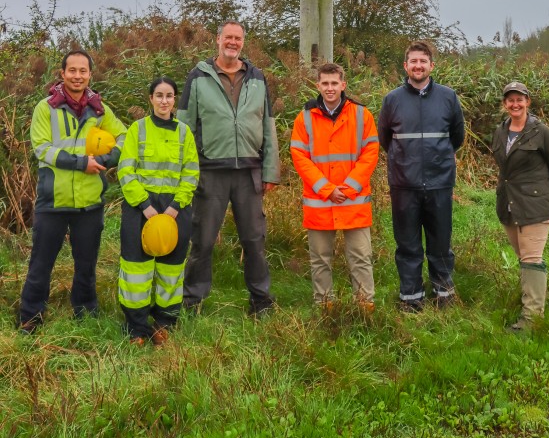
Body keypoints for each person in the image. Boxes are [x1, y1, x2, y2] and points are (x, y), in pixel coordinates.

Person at [177, 21, 280, 316]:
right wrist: (187, 172)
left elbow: (268, 125)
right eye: (228, 37)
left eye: (238, 38)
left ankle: (261, 301)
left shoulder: (257, 77)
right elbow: (184, 126)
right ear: (218, 40)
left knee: (254, 239)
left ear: (242, 43)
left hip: (249, 171)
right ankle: (192, 300)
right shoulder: (198, 77)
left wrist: (270, 171)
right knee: (203, 239)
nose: (232, 42)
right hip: (210, 172)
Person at [19, 50, 126, 332]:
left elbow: (124, 136)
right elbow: (42, 149)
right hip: (53, 199)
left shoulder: (99, 108)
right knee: (41, 262)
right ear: (62, 73)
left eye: (83, 71)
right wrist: (82, 163)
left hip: (89, 201)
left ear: (90, 74)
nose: (77, 76)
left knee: (87, 263)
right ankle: (30, 317)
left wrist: (104, 160)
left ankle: (85, 313)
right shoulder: (46, 108)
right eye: (72, 71)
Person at [378, 40, 464, 312]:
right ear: (406, 66)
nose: (418, 66)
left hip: (439, 182)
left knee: (440, 243)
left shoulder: (448, 97)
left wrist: (439, 162)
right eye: (413, 61)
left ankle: (444, 294)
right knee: (408, 244)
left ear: (431, 66)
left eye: (423, 61)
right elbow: (385, 139)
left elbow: (457, 136)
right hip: (404, 184)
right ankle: (411, 298)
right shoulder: (392, 99)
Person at [117, 76, 199, 345]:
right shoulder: (136, 130)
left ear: (175, 100)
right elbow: (126, 171)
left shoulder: (184, 133)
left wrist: (176, 206)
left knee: (171, 269)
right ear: (150, 98)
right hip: (140, 208)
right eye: (159, 95)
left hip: (176, 209)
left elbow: (191, 173)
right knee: (137, 270)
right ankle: (137, 328)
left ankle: (164, 323)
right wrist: (145, 206)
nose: (165, 101)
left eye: (170, 96)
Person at [290, 63, 379, 309]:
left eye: (334, 83)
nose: (330, 88)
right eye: (325, 83)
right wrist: (327, 189)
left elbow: (371, 153)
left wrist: (348, 188)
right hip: (320, 203)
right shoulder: (304, 118)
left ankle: (365, 307)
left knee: (361, 258)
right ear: (317, 85)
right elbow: (299, 156)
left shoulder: (362, 115)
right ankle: (324, 307)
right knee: (320, 260)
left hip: (354, 202)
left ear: (343, 85)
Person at [492, 81, 549, 331]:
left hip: (535, 204)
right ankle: (535, 299)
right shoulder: (500, 131)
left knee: (532, 258)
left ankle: (532, 320)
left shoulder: (542, 132)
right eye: (510, 100)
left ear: (528, 102)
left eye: (520, 99)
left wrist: (547, 198)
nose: (515, 104)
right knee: (524, 257)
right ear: (505, 104)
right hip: (509, 203)